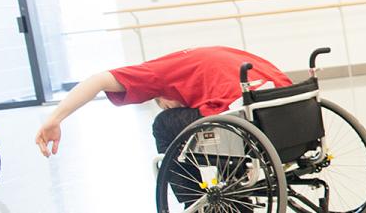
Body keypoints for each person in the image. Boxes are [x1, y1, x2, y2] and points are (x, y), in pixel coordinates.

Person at [34, 45, 292, 158]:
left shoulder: (159, 73)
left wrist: (54, 119)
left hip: (246, 118)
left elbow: (98, 80)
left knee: (165, 125)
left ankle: (192, 198)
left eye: (164, 102)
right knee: (205, 118)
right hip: (287, 109)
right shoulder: (210, 55)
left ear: (162, 94)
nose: (169, 105)